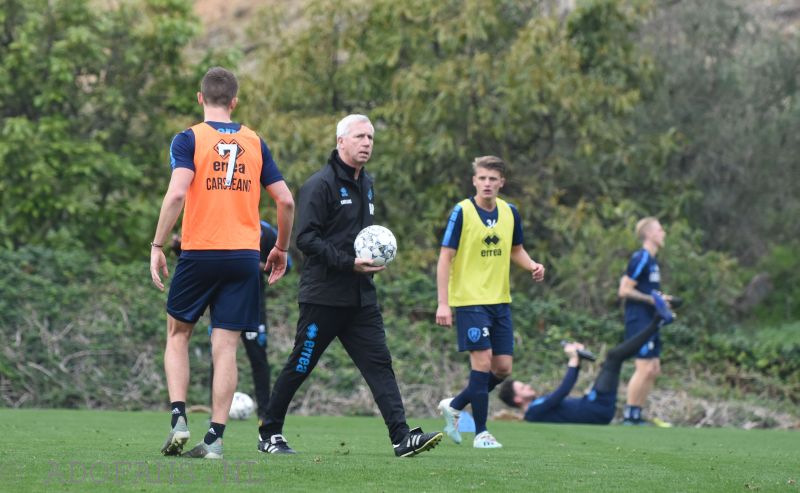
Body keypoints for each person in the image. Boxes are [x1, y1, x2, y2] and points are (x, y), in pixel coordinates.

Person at [257, 114, 443, 458]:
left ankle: (401, 437)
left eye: (371, 137)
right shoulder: (321, 184)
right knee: (301, 364)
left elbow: (360, 240)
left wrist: (366, 264)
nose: (367, 143)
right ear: (341, 141)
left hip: (361, 298)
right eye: (360, 136)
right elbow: (306, 239)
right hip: (323, 297)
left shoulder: (367, 184)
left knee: (380, 365)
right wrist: (348, 263)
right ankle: (269, 433)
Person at [149, 67, 294, 459]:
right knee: (225, 347)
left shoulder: (188, 138)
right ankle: (214, 439)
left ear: (200, 98)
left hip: (200, 252)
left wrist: (158, 243)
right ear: (234, 102)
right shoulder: (255, 141)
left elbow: (178, 192)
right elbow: (286, 201)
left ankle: (179, 417)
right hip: (245, 257)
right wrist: (279, 247)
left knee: (178, 335)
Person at [435, 156, 546, 449]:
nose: (487, 183)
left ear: (501, 183)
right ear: (474, 181)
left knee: (502, 368)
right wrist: (443, 303)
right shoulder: (462, 211)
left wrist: (532, 265)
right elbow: (445, 257)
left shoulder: (510, 212)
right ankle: (482, 433)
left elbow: (517, 250)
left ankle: (456, 405)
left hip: (500, 300)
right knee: (482, 363)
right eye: (482, 178)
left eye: (492, 179)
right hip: (470, 300)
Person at [170, 220, 292, 422]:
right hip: (224, 304)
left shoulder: (267, 231)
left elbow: (287, 265)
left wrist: (260, 266)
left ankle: (264, 413)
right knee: (218, 355)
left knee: (258, 359)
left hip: (254, 305)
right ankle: (215, 412)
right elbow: (203, 259)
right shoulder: (220, 224)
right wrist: (178, 248)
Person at [497, 292, 675, 424]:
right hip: (598, 409)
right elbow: (562, 392)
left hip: (594, 403)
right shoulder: (533, 413)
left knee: (612, 359)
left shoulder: (537, 405)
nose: (528, 386)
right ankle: (658, 320)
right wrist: (573, 362)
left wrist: (578, 359)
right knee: (614, 357)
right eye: (522, 387)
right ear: (517, 400)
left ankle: (658, 321)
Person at [618, 217, 674, 426]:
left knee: (654, 369)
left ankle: (638, 414)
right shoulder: (641, 257)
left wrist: (662, 300)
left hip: (651, 320)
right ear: (649, 234)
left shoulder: (653, 261)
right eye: (660, 230)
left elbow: (647, 291)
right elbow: (624, 290)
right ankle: (629, 416)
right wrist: (653, 299)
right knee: (643, 368)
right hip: (638, 320)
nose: (663, 233)